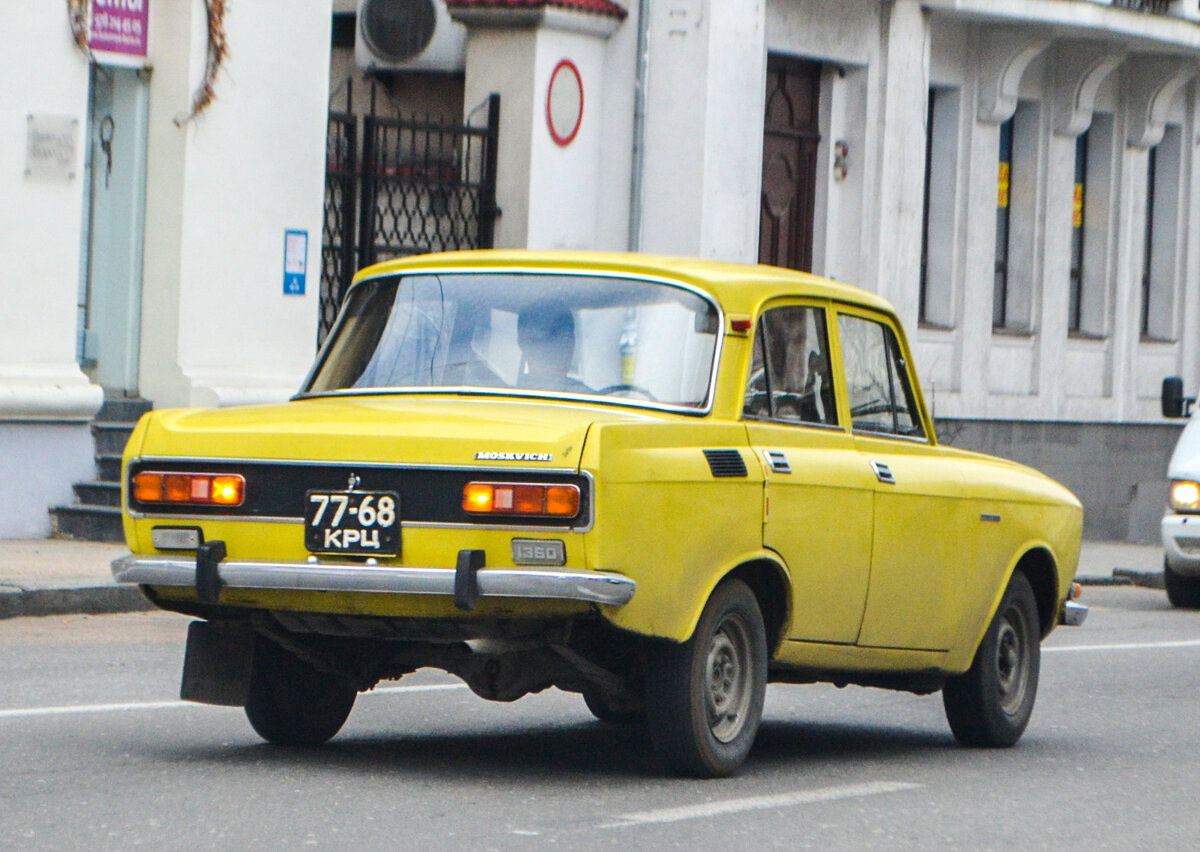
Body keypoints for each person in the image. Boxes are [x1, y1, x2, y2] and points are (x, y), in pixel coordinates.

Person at [517, 301, 593, 393]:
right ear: (523, 343)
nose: (561, 348)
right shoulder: (596, 402)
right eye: (549, 337)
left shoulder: (600, 403)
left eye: (567, 338)